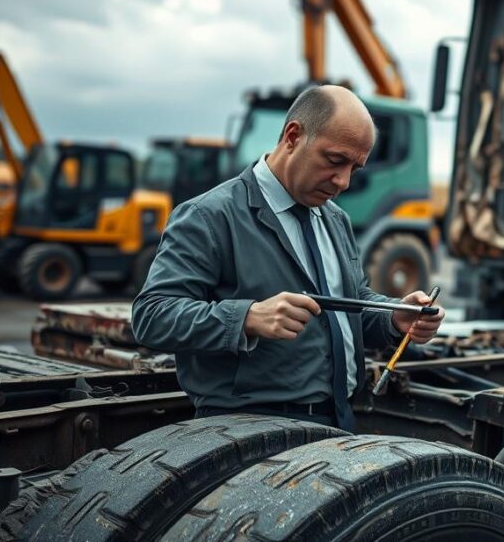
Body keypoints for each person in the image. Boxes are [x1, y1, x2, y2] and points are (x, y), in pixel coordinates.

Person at [132, 85, 444, 430]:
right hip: (247, 432)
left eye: (355, 168)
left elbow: (349, 303)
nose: (343, 181)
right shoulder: (209, 217)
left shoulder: (335, 219)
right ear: (293, 136)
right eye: (335, 160)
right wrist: (248, 318)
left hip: (337, 423)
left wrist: (393, 317)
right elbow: (152, 315)